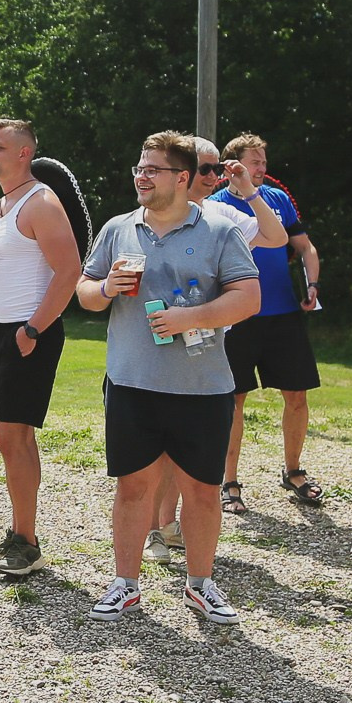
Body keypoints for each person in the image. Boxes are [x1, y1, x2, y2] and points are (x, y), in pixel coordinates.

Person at [75, 132, 260, 627]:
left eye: (153, 169)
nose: (142, 176)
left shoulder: (220, 231)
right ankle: (125, 585)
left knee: (202, 489)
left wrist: (192, 318)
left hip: (202, 387)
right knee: (133, 487)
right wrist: (105, 287)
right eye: (140, 167)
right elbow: (85, 292)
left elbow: (249, 297)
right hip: (132, 382)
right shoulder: (118, 228)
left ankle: (200, 585)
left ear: (182, 178)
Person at [144, 135, 286, 563]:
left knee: (192, 445)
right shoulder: (152, 214)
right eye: (206, 169)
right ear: (183, 170)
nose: (213, 177)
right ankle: (158, 528)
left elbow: (276, 237)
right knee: (159, 450)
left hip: (206, 342)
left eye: (216, 169)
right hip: (158, 342)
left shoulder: (223, 213)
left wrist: (249, 189)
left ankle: (180, 531)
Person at [0, 120, 82, 580]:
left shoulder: (42, 202)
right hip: (5, 330)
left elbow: (69, 270)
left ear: (24, 153)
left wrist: (33, 330)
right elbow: (17, 263)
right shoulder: (0, 205)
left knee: (10, 437)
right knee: (15, 436)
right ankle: (20, 532)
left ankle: (27, 543)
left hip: (30, 332)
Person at [214, 133, 326, 518]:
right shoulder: (214, 204)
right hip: (236, 315)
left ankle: (293, 470)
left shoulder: (275, 200)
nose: (262, 168)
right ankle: (228, 481)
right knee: (234, 399)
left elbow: (305, 247)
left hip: (283, 312)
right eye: (255, 161)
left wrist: (312, 284)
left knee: (297, 395)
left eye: (263, 161)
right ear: (233, 165)